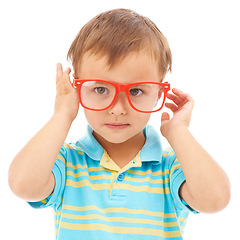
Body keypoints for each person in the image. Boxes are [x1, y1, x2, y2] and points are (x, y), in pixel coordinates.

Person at [8, 8, 230, 240]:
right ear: (78, 90)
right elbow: (23, 185)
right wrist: (62, 116)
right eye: (100, 89)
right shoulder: (67, 162)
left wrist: (179, 132)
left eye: (136, 90)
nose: (118, 108)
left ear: (157, 93)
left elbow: (215, 200)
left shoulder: (169, 168)